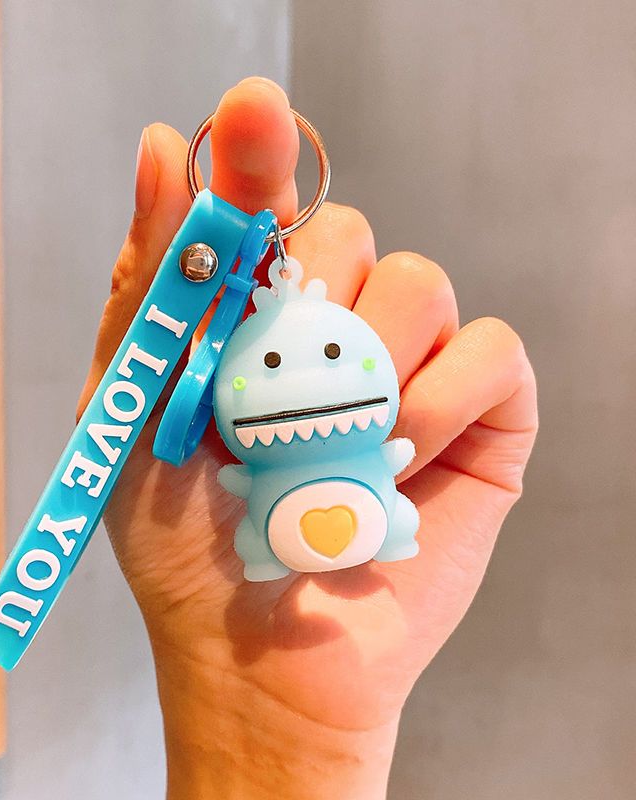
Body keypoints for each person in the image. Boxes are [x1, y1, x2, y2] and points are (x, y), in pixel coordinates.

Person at [76, 77, 538, 799]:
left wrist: (299, 763)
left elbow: (382, 456)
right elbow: (247, 478)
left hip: (355, 506)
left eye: (330, 357)